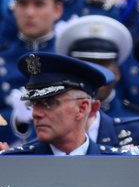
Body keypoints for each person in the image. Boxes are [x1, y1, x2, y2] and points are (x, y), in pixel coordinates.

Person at [55, 14, 139, 153]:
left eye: (103, 64)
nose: (94, 73)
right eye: (85, 64)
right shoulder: (54, 120)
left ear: (118, 72)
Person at [0, 0, 78, 144]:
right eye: (22, 3)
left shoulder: (71, 57)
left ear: (58, 9)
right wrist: (15, 119)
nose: (29, 12)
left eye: (39, 4)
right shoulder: (3, 57)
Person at [1, 52, 130, 155]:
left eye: (48, 103)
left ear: (82, 108)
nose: (36, 113)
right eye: (34, 104)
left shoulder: (119, 164)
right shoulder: (16, 165)